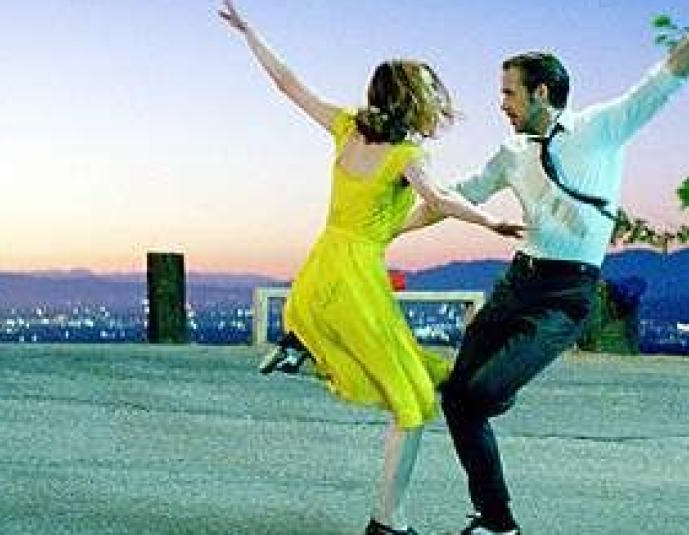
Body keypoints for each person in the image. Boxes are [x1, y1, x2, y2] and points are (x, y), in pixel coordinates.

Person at [401, 1, 689, 533]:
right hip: (518, 282)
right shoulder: (512, 152)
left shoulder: (600, 129)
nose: (502, 104)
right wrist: (385, 230)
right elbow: (457, 195)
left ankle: (500, 410)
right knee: (457, 398)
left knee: (478, 397)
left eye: (509, 93)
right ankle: (497, 520)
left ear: (541, 92)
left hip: (566, 296)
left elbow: (668, 75)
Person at [218, 2, 525, 534]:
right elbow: (439, 200)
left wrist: (250, 33)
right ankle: (387, 523)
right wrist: (490, 222)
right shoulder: (406, 156)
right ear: (413, 99)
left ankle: (304, 345)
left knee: (414, 390)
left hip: (322, 269)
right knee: (413, 403)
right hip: (358, 278)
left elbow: (288, 84)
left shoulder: (345, 128)